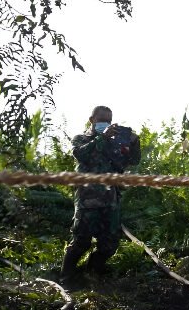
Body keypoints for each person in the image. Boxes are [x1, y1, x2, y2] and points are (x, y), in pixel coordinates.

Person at [60, 105, 141, 279]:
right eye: (101, 120)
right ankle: (66, 277)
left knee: (109, 244)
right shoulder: (81, 138)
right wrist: (102, 138)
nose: (106, 124)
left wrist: (134, 142)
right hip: (87, 200)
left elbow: (133, 160)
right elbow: (80, 155)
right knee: (81, 242)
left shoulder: (115, 143)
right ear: (91, 120)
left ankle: (92, 272)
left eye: (109, 121)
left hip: (110, 199)